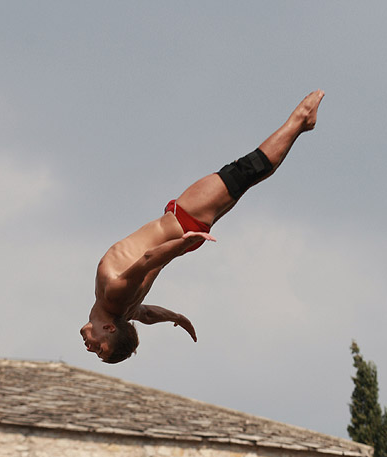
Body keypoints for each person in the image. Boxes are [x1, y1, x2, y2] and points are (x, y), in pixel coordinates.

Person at [80, 90, 324, 364]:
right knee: (246, 171)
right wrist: (183, 242)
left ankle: (301, 125)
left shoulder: (120, 310)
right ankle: (301, 118)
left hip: (185, 232)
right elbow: (148, 259)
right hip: (184, 223)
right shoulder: (114, 298)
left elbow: (146, 314)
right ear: (109, 329)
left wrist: (177, 317)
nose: (91, 348)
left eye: (98, 351)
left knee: (248, 178)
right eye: (100, 349)